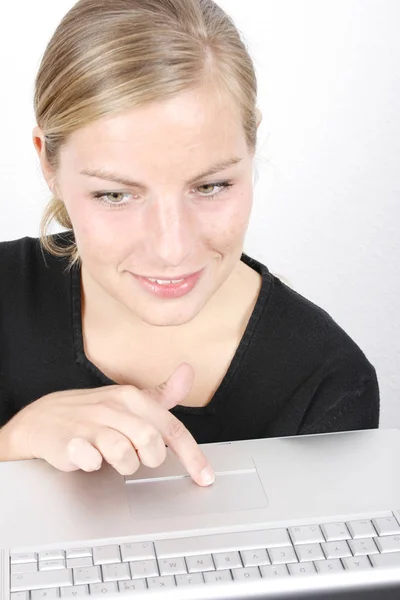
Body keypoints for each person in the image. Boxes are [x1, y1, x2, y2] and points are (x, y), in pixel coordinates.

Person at [0, 0, 379, 486]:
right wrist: (15, 440)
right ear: (47, 163)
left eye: (210, 186)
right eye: (115, 194)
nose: (172, 249)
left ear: (251, 145)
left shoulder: (328, 383)